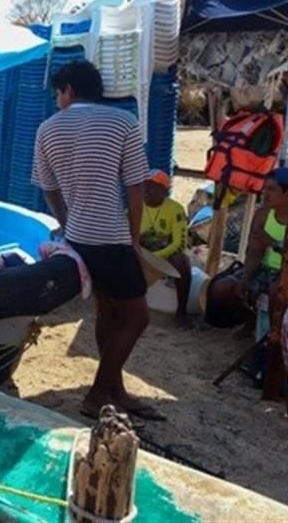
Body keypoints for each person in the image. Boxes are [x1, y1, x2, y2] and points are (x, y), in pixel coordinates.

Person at [32, 60, 162, 421]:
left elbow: (49, 188)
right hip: (111, 236)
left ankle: (115, 389)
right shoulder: (123, 122)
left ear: (69, 90)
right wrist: (133, 242)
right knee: (137, 317)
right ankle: (97, 392)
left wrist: (68, 222)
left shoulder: (46, 129)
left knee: (108, 311)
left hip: (77, 238)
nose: (58, 99)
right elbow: (135, 189)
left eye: (58, 92)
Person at [205, 166, 288, 330]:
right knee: (223, 287)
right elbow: (254, 252)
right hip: (267, 269)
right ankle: (251, 321)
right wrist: (246, 277)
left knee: (278, 291)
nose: (265, 193)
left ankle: (274, 336)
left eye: (272, 189)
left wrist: (274, 244)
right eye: (265, 188)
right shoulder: (263, 214)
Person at [141, 169, 193, 328]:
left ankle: (181, 313)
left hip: (164, 254)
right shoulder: (135, 205)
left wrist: (155, 256)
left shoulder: (175, 209)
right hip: (140, 251)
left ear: (165, 190)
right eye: (145, 185)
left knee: (182, 261)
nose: (147, 190)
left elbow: (179, 244)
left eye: (153, 186)